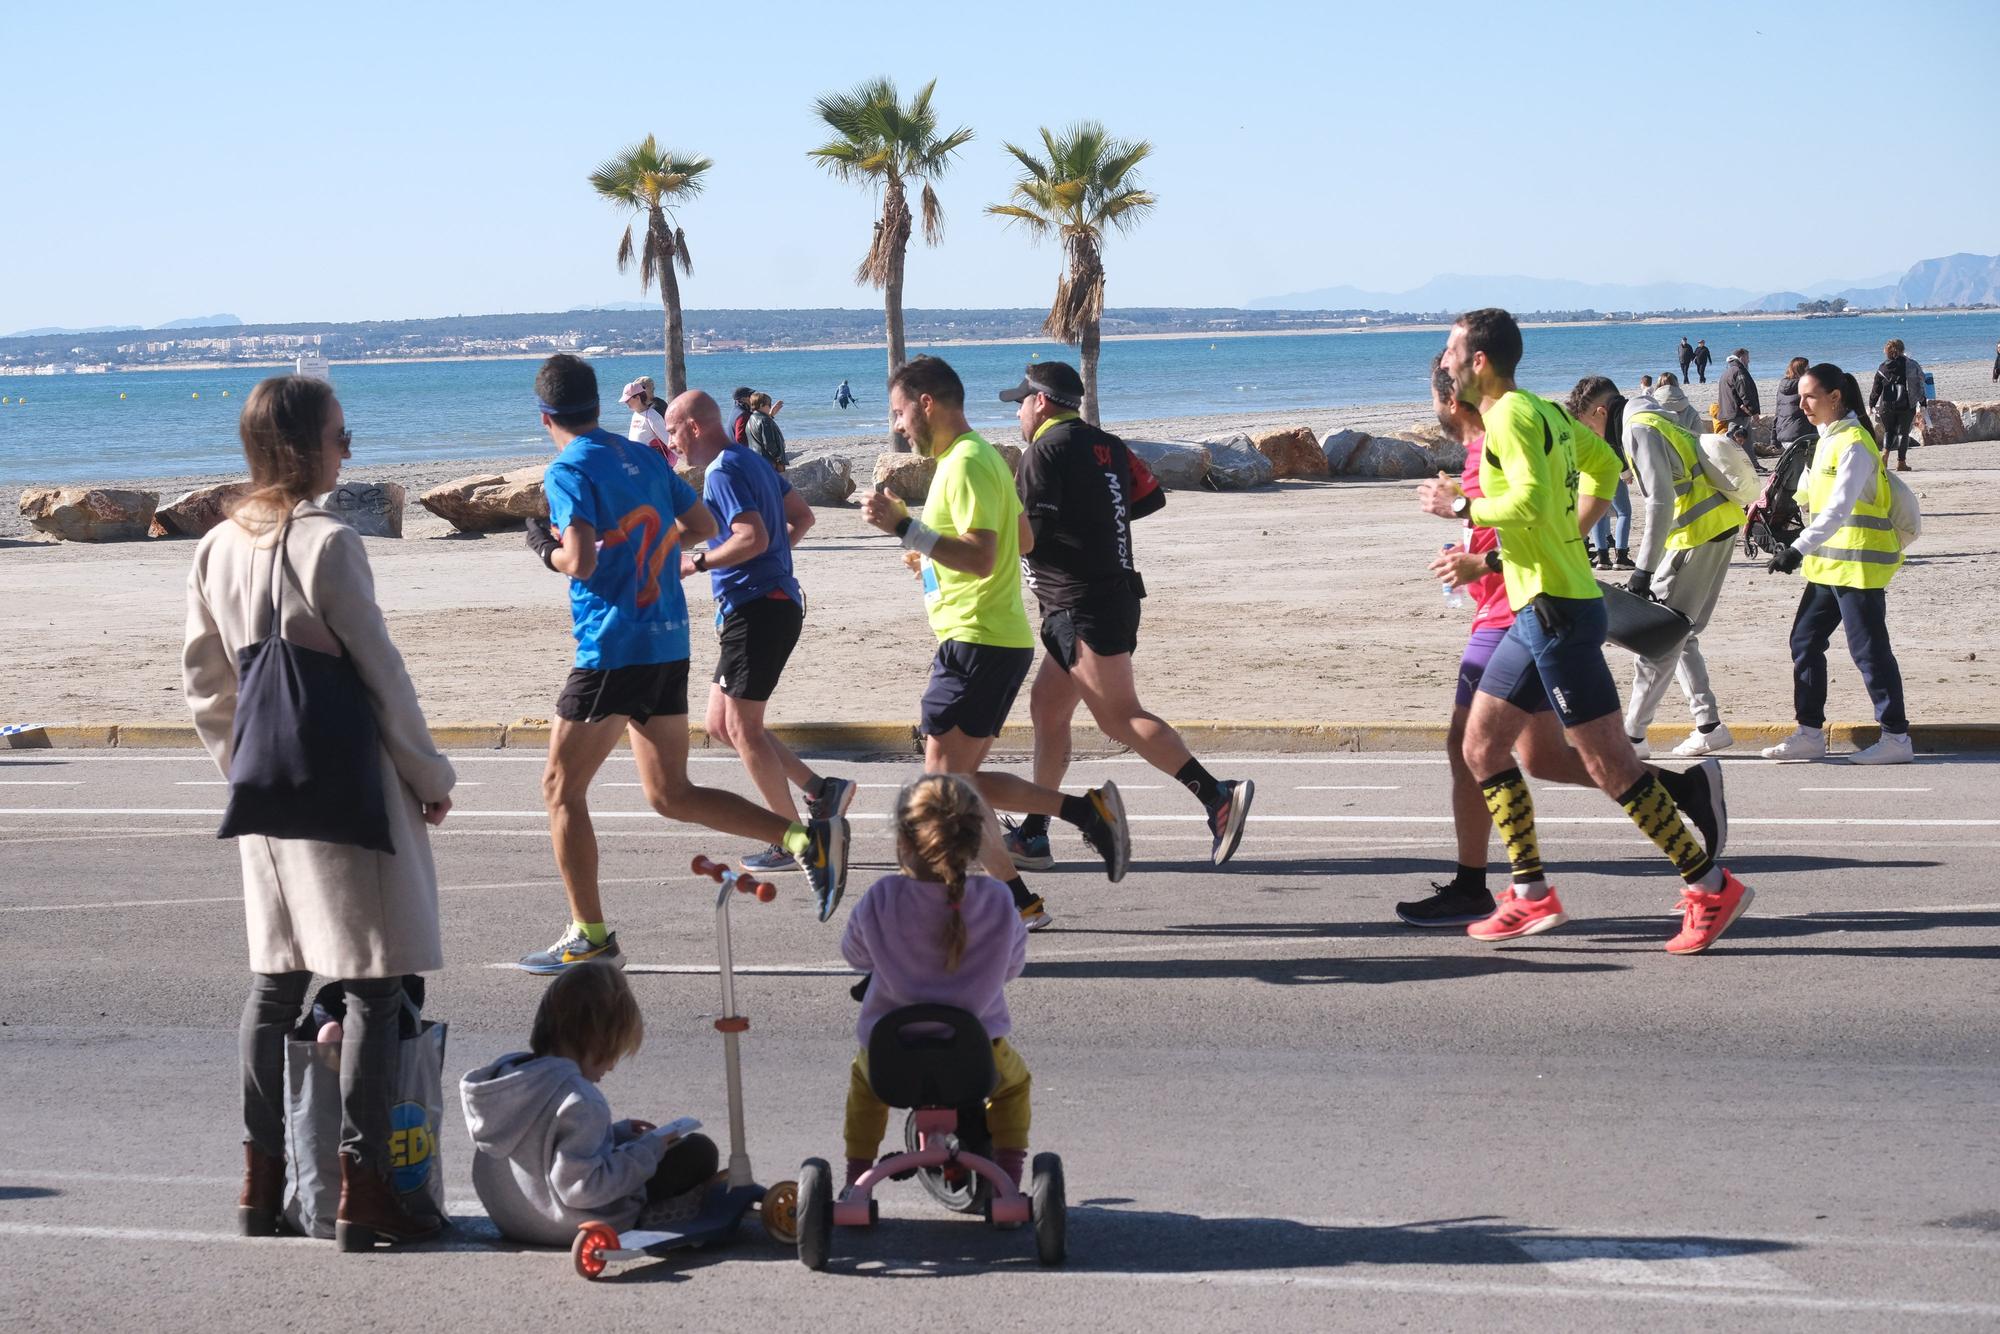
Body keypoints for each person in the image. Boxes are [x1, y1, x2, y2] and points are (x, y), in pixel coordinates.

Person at [184, 374, 456, 1248]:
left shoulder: (217, 547)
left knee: (277, 983)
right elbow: (382, 677)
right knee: (376, 982)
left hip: (267, 796)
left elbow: (206, 688)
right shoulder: (331, 544)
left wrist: (250, 768)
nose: (351, 448)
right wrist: (426, 773)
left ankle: (261, 1181)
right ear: (306, 447)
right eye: (344, 434)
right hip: (350, 792)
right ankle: (362, 1184)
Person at [1418, 309, 1749, 954]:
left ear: (1479, 361)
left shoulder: (1511, 415)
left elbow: (1531, 505)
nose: (1446, 362)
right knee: (1483, 749)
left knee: (1608, 763)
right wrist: (1570, 533)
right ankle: (1531, 894)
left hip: (1558, 614)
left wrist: (1460, 506)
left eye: (1452, 352)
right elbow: (1602, 464)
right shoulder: (1546, 410)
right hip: (1537, 607)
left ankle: (1711, 886)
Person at [518, 354, 851, 973]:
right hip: (667, 641)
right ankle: (805, 838)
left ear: (546, 418)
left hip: (610, 649)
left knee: (560, 790)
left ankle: (590, 934)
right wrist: (650, 548)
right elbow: (699, 525)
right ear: (595, 407)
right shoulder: (645, 456)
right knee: (670, 793)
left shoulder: (567, 469)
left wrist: (545, 549)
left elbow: (581, 561)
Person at [858, 355, 1131, 931]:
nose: (899, 426)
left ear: (927, 403)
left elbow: (984, 556)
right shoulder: (979, 461)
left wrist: (904, 527)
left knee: (935, 795)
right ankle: (1055, 853)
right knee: (961, 786)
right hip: (985, 638)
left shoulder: (967, 463)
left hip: (978, 642)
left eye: (900, 412)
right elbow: (1022, 538)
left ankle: (926, 927)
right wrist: (933, 562)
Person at [995, 360, 1255, 877]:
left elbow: (1033, 534)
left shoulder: (1042, 451)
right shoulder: (1108, 444)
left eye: (1021, 402)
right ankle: (1034, 833)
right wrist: (1095, 518)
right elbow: (1148, 496)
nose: (1018, 413)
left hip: (1080, 604)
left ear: (1042, 402)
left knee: (1118, 716)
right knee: (1047, 710)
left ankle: (1218, 796)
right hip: (1102, 597)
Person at [665, 389, 857, 872]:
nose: (671, 443)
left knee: (742, 727)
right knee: (719, 724)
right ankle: (820, 790)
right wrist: (771, 562)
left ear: (693, 427)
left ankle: (794, 840)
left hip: (758, 607)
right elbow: (802, 518)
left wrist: (701, 563)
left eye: (672, 431)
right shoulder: (751, 463)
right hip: (763, 603)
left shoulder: (722, 471)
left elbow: (751, 536)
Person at [838, 775, 1031, 1190]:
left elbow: (855, 956)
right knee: (1014, 1088)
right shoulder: (998, 900)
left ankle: (857, 1178)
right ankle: (1009, 1179)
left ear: (903, 842)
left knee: (864, 1087)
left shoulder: (881, 897)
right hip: (977, 1056)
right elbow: (1011, 969)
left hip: (891, 1059)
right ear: (975, 840)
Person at [461, 962, 721, 1246]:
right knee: (697, 1151)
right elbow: (582, 1188)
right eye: (614, 1053)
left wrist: (617, 1133)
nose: (610, 1067)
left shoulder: (511, 1081)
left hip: (515, 1220)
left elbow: (543, 1143)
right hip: (573, 1226)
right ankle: (655, 1215)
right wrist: (648, 1150)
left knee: (643, 1150)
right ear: (598, 1042)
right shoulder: (581, 1099)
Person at [1762, 363, 1914, 765]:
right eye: (1799, 396)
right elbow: (1810, 501)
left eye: (1810, 396)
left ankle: (1896, 738)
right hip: (1828, 565)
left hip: (1859, 563)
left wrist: (1796, 548)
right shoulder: (1825, 439)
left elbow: (1839, 510)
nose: (1802, 403)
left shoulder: (1855, 443)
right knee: (1804, 642)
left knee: (1869, 651)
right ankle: (1809, 733)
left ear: (1835, 398)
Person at [1604, 374, 1745, 758]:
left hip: (1696, 534)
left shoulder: (1637, 429)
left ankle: (1632, 737)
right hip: (1715, 525)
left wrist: (1643, 570)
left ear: (1599, 412)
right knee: (1681, 634)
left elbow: (1660, 501)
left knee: (1659, 639)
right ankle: (1708, 725)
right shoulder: (1657, 415)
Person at [1583, 384, 1635, 571]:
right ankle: (1621, 555)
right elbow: (1614, 446)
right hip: (1610, 469)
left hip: (1590, 471)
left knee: (1600, 515)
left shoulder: (1586, 424)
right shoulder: (1606, 421)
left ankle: (1603, 557)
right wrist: (1626, 471)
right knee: (1624, 512)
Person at [1868, 339, 1926, 473]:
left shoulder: (1882, 367)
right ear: (1903, 350)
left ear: (1886, 352)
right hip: (1905, 403)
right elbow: (1920, 384)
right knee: (1903, 434)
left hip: (1886, 405)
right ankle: (1901, 463)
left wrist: (1871, 404)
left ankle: (1885, 455)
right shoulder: (1911, 365)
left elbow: (1876, 388)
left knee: (1889, 431)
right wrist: (1923, 402)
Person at [621, 377, 677, 467]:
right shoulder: (636, 414)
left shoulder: (653, 413)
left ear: (638, 397)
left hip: (652, 464)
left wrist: (685, 457)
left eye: (628, 400)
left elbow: (669, 440)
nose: (625, 403)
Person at [1717, 347, 1759, 449]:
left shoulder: (1727, 372)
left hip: (1732, 410)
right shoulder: (1739, 371)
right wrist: (1753, 411)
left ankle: (1753, 462)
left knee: (1747, 440)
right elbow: (1745, 392)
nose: (1749, 360)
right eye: (1747, 358)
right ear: (1741, 357)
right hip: (1739, 412)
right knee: (1734, 439)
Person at [1773, 356, 1815, 454]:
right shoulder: (1804, 386)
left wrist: (1774, 439)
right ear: (1802, 371)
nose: (1809, 371)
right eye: (1808, 369)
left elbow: (1778, 412)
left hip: (1784, 435)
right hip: (1800, 435)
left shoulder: (1782, 386)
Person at [744, 391, 787, 473]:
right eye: (769, 405)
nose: (770, 407)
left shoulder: (751, 419)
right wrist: (779, 459)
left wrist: (770, 415)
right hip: (768, 463)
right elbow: (769, 443)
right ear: (761, 405)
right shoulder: (764, 420)